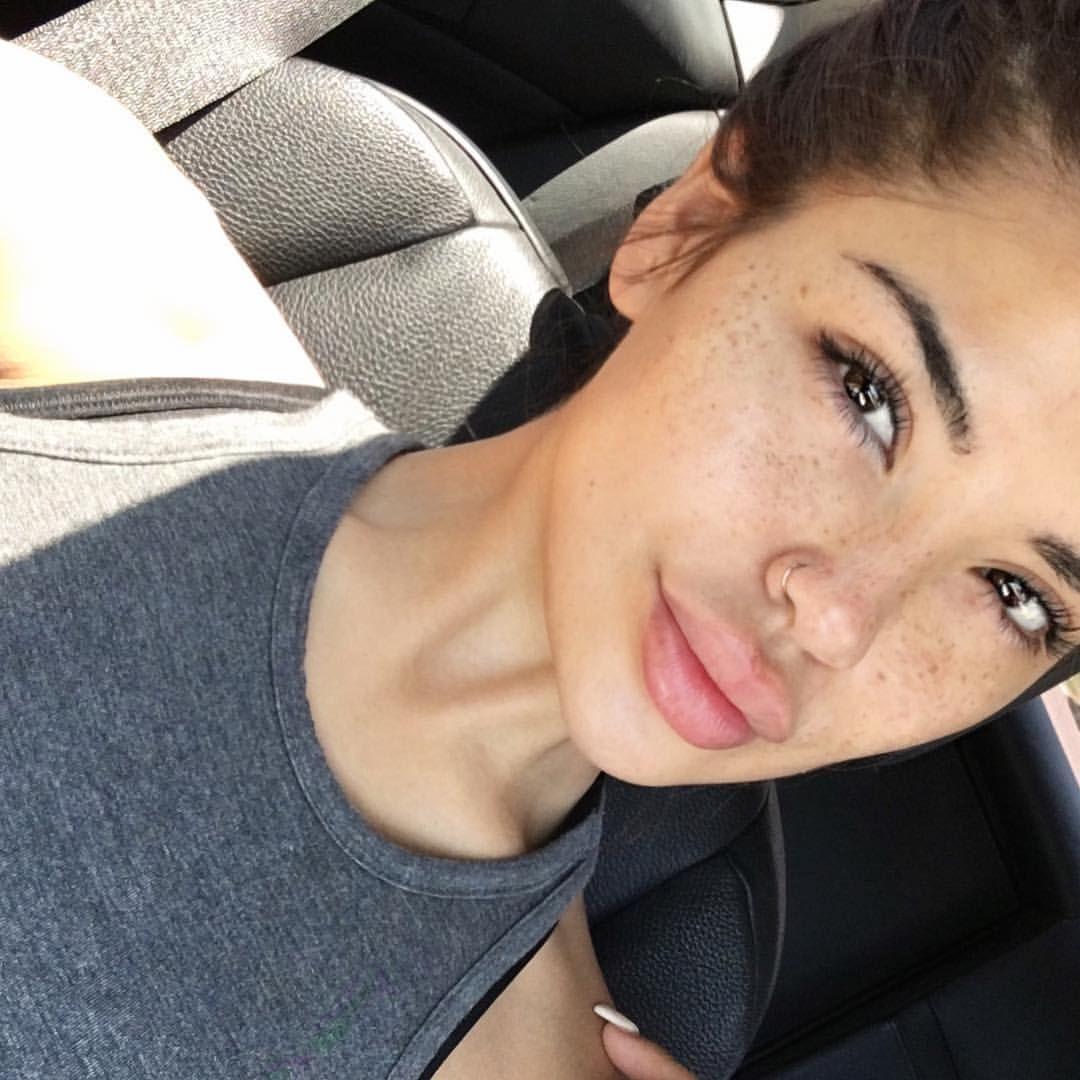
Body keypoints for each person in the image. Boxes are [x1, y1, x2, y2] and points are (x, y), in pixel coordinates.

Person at [4, 0, 1080, 1076]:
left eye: (1015, 593)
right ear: (685, 231)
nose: (837, 620)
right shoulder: (62, 229)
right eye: (869, 396)